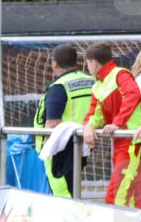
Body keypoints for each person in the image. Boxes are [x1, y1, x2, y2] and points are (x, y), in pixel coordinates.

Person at [82, 42, 141, 210]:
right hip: (124, 142)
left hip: (135, 142)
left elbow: (133, 95)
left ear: (94, 63)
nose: (87, 67)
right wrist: (88, 126)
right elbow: (93, 113)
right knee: (127, 194)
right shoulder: (98, 85)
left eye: (87, 63)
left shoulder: (120, 74)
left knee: (121, 193)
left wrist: (117, 122)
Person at [32, 44, 94, 197]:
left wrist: (46, 147)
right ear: (76, 62)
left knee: (63, 194)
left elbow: (52, 123)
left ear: (54, 63)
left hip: (59, 148)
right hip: (81, 145)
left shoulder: (59, 87)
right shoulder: (91, 81)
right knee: (73, 190)